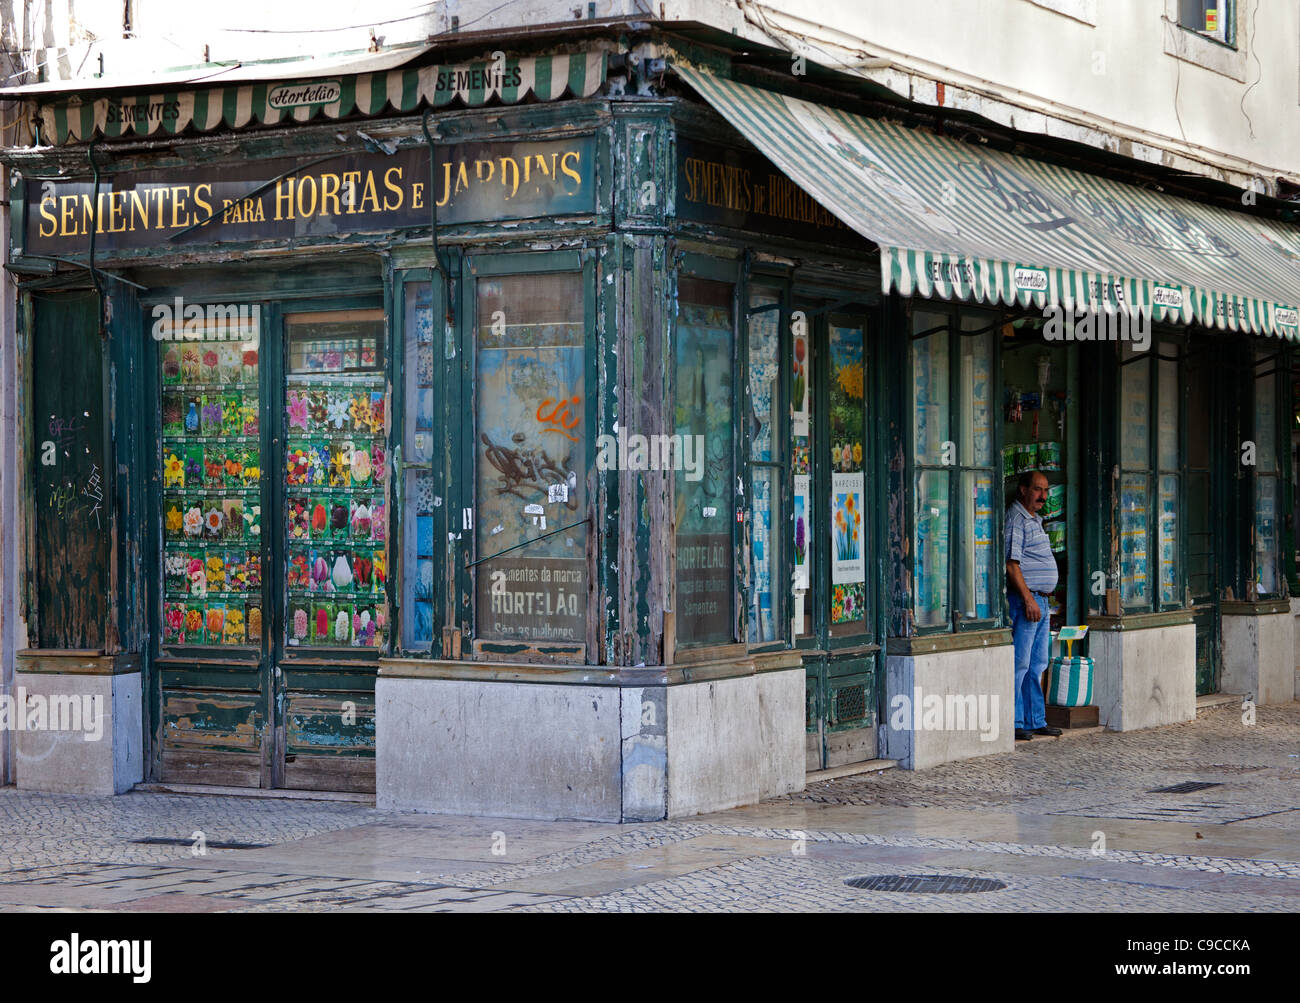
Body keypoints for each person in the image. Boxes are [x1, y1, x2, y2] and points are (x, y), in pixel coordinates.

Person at [1005, 470, 1062, 741]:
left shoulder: (1035, 520)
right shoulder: (1017, 519)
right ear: (1023, 490)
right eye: (1038, 489)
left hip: (1040, 600)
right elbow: (1011, 564)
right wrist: (1028, 598)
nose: (1043, 496)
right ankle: (1016, 722)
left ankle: (1034, 719)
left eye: (1046, 490)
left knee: (1038, 663)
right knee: (1021, 663)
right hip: (1027, 601)